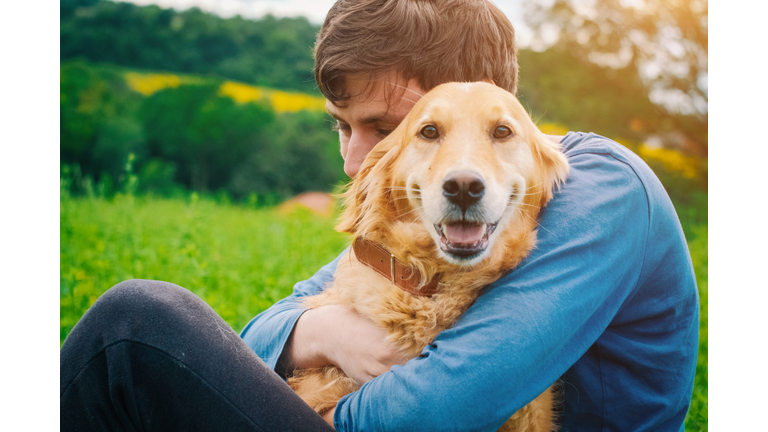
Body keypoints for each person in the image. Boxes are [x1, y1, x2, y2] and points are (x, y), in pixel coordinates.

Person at [60, 1, 699, 431]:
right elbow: (267, 326)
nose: (359, 163)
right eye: (344, 128)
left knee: (136, 326)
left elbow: (442, 404)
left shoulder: (595, 186)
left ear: (475, 99)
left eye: (391, 130)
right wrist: (322, 336)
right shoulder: (431, 223)